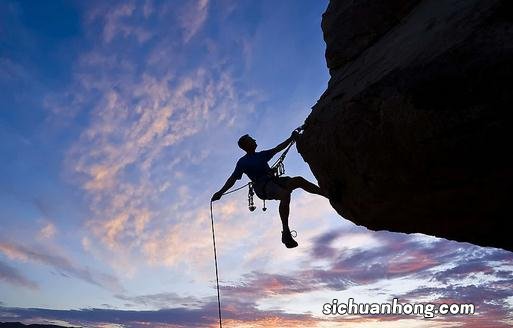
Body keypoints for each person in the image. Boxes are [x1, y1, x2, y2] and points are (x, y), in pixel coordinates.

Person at [211, 131, 326, 248]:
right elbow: (233, 179)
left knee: (299, 180)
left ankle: (327, 194)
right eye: (252, 140)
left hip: (273, 181)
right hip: (262, 187)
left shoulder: (261, 155)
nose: (255, 141)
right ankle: (286, 232)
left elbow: (278, 148)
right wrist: (221, 192)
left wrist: (292, 138)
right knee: (285, 195)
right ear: (246, 145)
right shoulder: (242, 162)